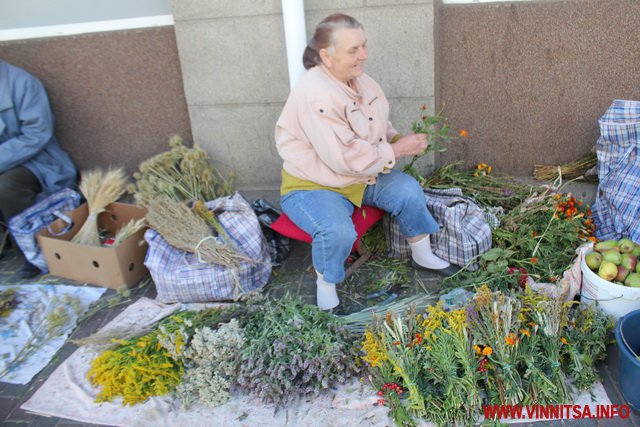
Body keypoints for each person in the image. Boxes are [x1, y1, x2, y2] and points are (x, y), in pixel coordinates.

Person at [275, 13, 456, 310]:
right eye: (353, 50)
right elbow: (345, 158)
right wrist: (396, 152)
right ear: (326, 56)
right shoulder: (315, 94)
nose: (364, 55)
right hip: (315, 184)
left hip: (358, 176)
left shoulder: (361, 80)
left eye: (364, 45)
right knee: (337, 232)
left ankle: (422, 253)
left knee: (408, 190)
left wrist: (397, 140)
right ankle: (326, 282)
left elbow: (377, 126)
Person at [0, 59, 77, 278]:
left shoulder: (21, 82)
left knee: (7, 187)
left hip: (34, 159)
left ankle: (31, 254)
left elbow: (36, 134)